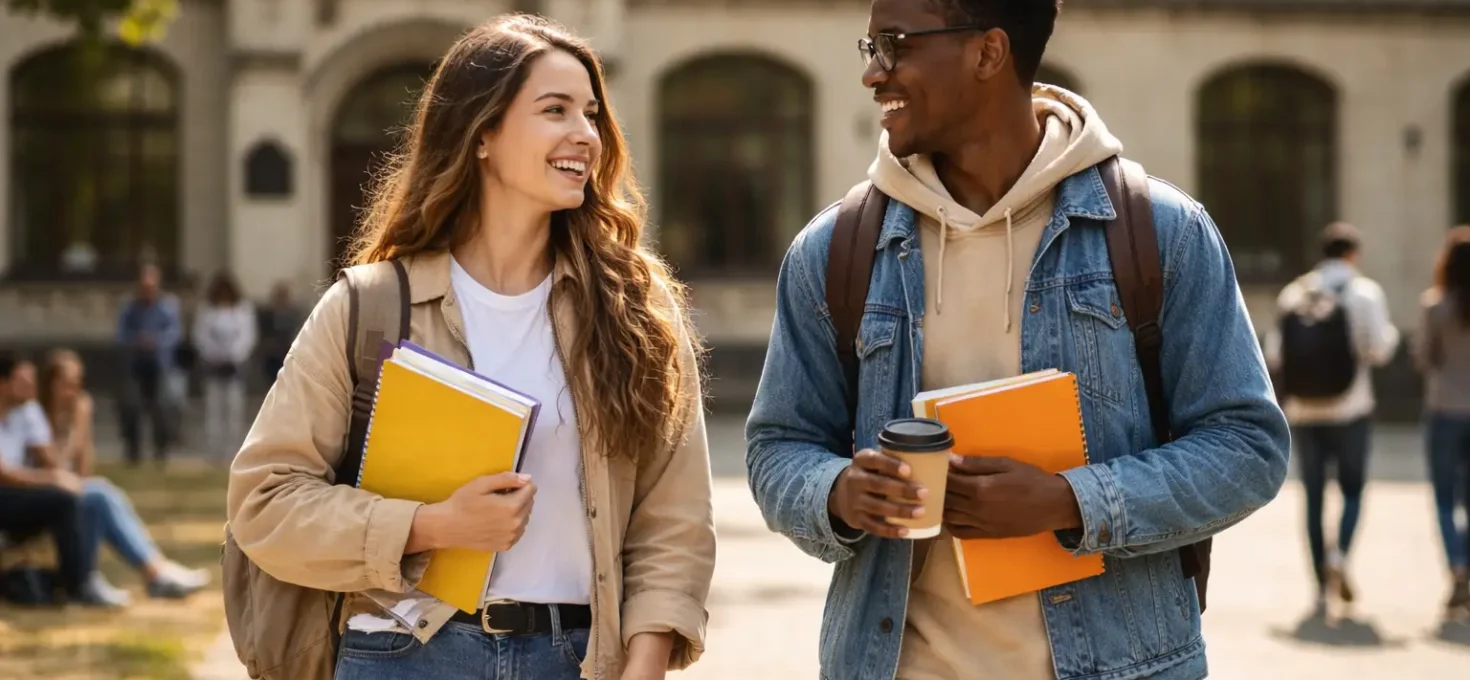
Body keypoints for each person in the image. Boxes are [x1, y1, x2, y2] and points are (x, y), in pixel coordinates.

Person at [745, 2, 1290, 679]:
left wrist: (1071, 501)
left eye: (894, 45)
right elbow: (778, 447)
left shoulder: (1162, 232)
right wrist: (838, 492)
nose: (872, 73)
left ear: (987, 53)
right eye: (870, 45)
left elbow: (1247, 447)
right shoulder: (834, 250)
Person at [226, 14, 714, 680]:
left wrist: (647, 660)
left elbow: (675, 519)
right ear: (482, 135)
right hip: (400, 654)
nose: (586, 135)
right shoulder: (368, 306)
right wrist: (430, 526)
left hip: (574, 658)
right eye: (555, 110)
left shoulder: (639, 308)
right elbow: (264, 502)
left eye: (592, 115)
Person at [1264, 222, 1399, 614]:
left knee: (1314, 498)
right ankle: (1340, 553)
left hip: (1304, 413)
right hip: (1350, 409)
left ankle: (1321, 584)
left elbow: (1275, 356)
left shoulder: (1294, 293)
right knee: (1353, 490)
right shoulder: (1364, 293)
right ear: (1352, 254)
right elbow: (1380, 349)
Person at [36, 349, 212, 602]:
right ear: (50, 385)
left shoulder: (75, 412)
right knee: (99, 493)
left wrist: (82, 428)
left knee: (100, 492)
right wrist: (76, 429)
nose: (73, 391)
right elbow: (56, 469)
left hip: (67, 493)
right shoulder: (36, 419)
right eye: (67, 384)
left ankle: (152, 571)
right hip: (44, 498)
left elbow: (82, 472)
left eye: (78, 384)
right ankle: (152, 574)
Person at [0, 353, 113, 607]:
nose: (31, 387)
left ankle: (88, 579)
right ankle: (79, 585)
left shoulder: (26, 411)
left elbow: (56, 463)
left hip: (20, 492)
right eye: (23, 381)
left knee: (95, 494)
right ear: (3, 384)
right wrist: (53, 478)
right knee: (63, 500)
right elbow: (4, 473)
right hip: (6, 493)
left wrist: (77, 427)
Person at [1413, 225, 1470, 619]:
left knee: (1444, 498)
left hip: (1443, 409)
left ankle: (1457, 567)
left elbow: (1422, 358)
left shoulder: (1436, 305)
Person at [116, 263, 183, 467]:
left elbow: (174, 334)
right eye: (144, 287)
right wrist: (136, 340)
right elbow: (121, 335)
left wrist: (156, 341)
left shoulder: (168, 307)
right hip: (135, 365)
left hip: (159, 365)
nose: (147, 291)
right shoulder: (129, 308)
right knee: (131, 408)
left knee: (161, 410)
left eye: (151, 287)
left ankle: (161, 452)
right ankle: (133, 452)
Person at [192, 271, 258, 463]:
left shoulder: (243, 310)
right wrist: (214, 354)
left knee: (233, 409)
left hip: (234, 368)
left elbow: (247, 337)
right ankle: (214, 451)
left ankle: (233, 451)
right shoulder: (207, 310)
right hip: (213, 367)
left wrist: (234, 355)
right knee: (214, 410)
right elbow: (201, 336)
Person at [259, 280, 304, 385]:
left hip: (289, 352)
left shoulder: (294, 314)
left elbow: (297, 332)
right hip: (271, 355)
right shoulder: (267, 314)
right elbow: (264, 333)